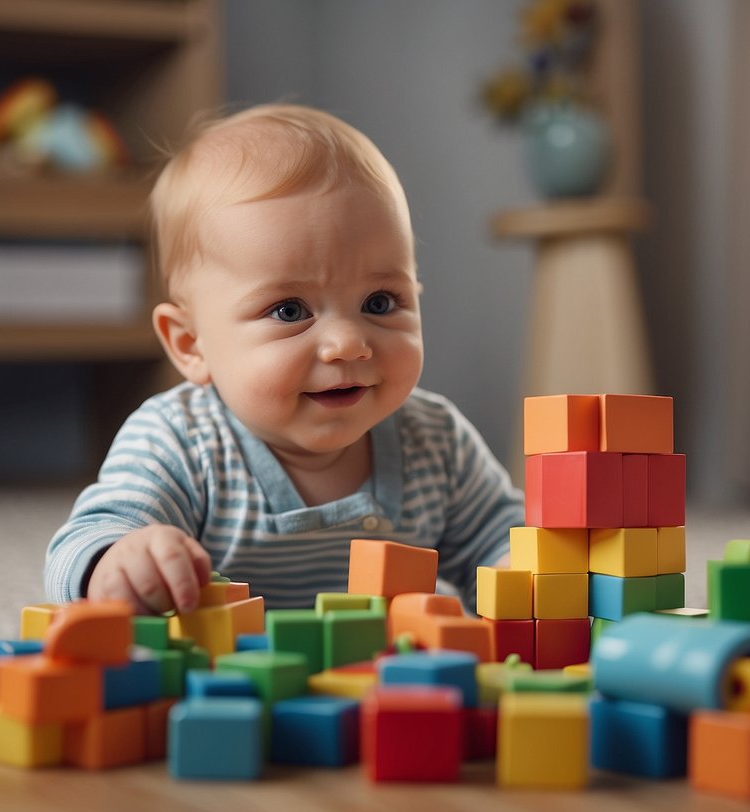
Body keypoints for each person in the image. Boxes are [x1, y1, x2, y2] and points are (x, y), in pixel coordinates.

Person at [45, 103, 523, 614]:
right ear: (190, 344)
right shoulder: (181, 441)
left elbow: (501, 536)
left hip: (391, 686)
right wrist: (120, 560)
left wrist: (523, 576)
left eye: (379, 302)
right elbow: (85, 540)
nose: (347, 344)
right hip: (236, 688)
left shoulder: (435, 441)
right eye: (289, 310)